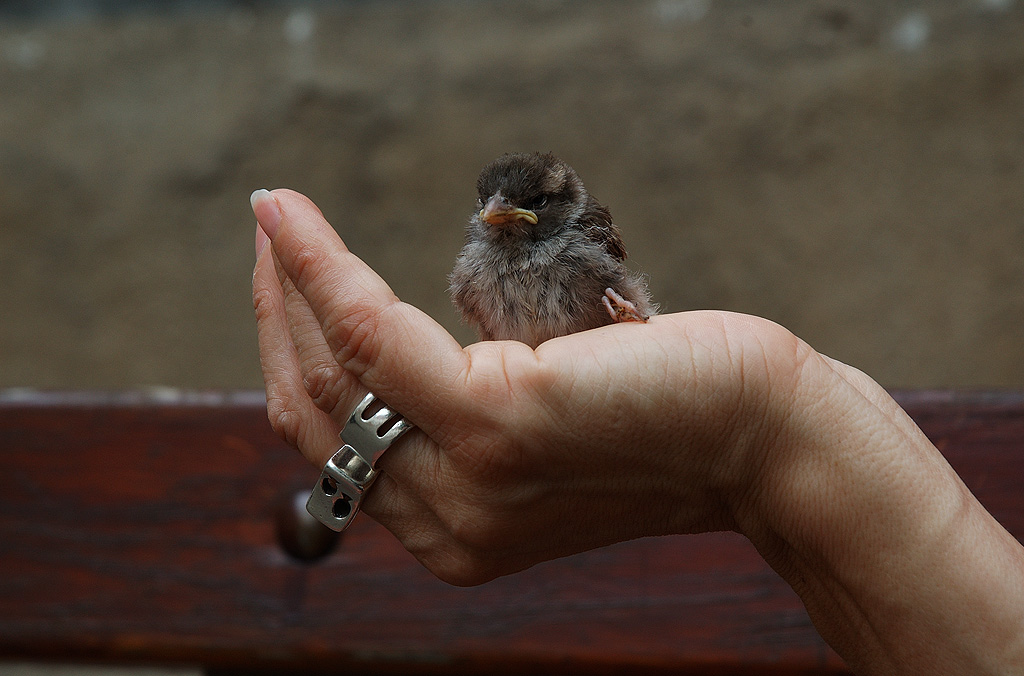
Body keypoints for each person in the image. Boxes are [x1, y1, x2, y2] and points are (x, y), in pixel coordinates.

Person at [251, 188, 1024, 675]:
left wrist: (758, 422)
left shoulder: (584, 238)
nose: (502, 220)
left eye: (523, 207)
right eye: (494, 207)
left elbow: (628, 299)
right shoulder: (476, 267)